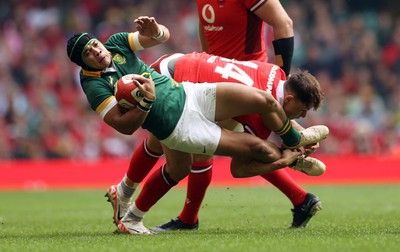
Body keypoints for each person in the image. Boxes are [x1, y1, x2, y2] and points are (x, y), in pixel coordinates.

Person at [67, 16, 328, 234]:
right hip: (179, 90)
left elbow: (160, 36)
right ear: (82, 61)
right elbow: (122, 125)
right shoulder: (93, 85)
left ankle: (129, 198)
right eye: (88, 53)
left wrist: (156, 30)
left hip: (189, 89)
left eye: (94, 45)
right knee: (221, 154)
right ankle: (146, 207)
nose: (96, 51)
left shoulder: (115, 44)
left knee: (258, 113)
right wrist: (146, 103)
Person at [149, 0, 319, 231]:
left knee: (219, 146)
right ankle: (299, 193)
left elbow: (284, 23)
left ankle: (162, 214)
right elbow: (203, 25)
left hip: (245, 78)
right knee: (241, 145)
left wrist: (282, 81)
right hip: (224, 74)